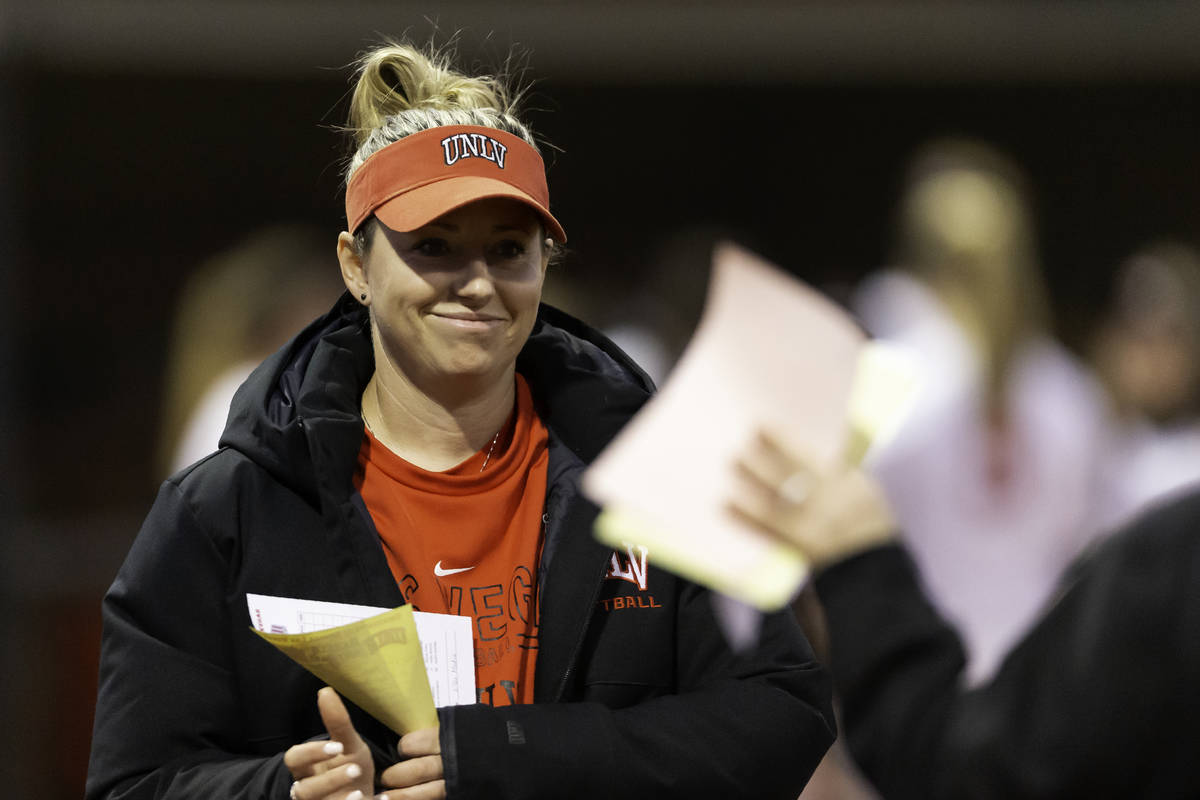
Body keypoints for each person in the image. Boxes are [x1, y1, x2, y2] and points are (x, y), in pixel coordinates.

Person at [85, 42, 835, 800]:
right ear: (355, 266)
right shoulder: (228, 509)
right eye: (434, 248)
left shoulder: (655, 480)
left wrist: (516, 756)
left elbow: (782, 711)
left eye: (509, 250)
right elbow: (133, 783)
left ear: (546, 261)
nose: (477, 284)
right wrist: (283, 792)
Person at [732, 431, 1200, 798]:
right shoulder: (1065, 392)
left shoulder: (1175, 560)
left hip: (983, 685)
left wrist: (859, 561)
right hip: (1006, 670)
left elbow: (974, 777)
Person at [851, 138, 1112, 684]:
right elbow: (1089, 549)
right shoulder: (1071, 394)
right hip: (1034, 689)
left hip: (912, 691)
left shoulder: (885, 384)